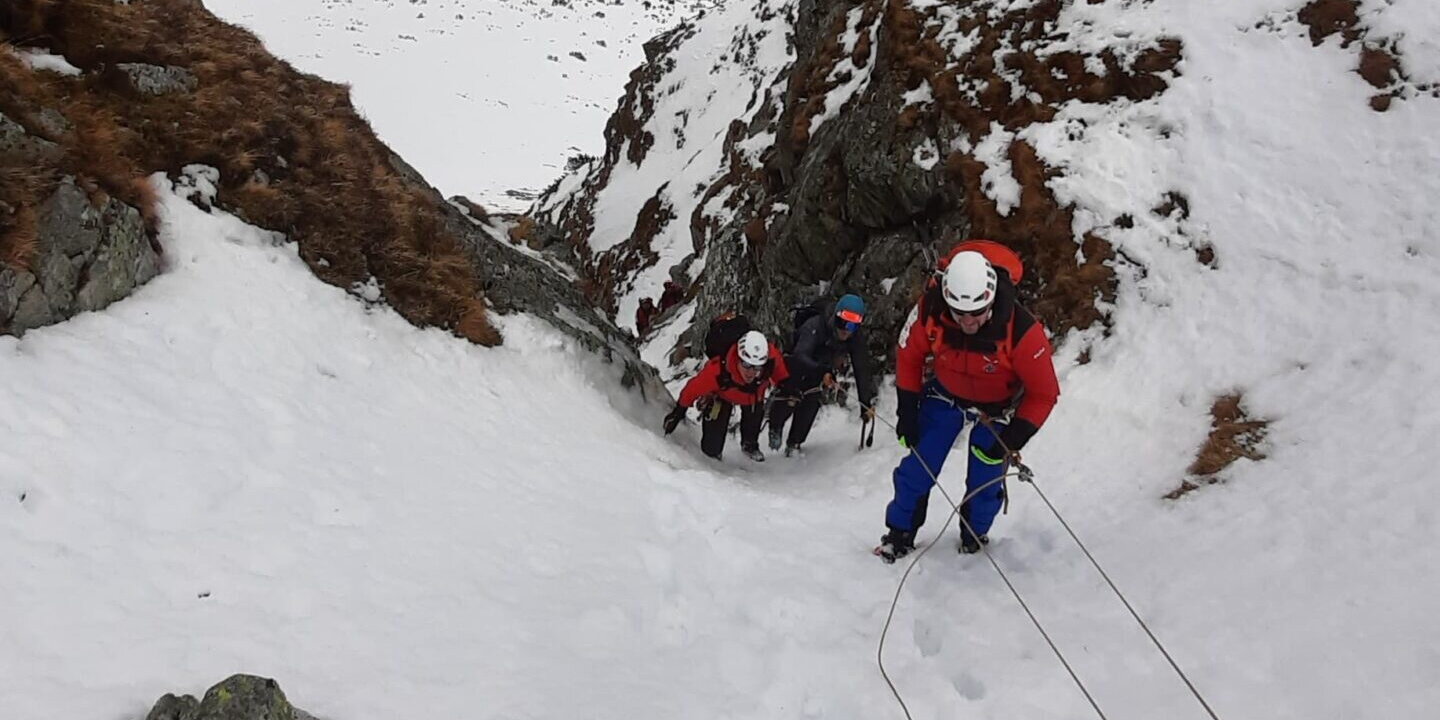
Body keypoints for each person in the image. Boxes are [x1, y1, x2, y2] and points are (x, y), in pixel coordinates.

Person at [876, 250, 1060, 562]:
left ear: (990, 300)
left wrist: (1013, 439)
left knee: (985, 480)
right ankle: (899, 533)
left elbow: (1044, 393)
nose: (968, 321)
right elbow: (909, 355)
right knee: (918, 467)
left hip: (998, 409)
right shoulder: (930, 310)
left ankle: (974, 534)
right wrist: (907, 410)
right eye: (960, 313)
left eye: (977, 312)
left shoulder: (1023, 332)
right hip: (947, 395)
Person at [768, 294, 877, 456]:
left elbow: (861, 368)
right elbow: (800, 355)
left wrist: (865, 404)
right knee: (789, 397)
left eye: (852, 327)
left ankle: (794, 443)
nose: (846, 330)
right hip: (796, 366)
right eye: (843, 323)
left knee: (811, 402)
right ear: (835, 317)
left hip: (821, 369)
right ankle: (775, 427)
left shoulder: (855, 338)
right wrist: (823, 371)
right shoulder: (815, 326)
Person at [663, 330, 789, 462]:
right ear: (738, 359)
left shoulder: (771, 359)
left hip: (753, 398)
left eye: (757, 367)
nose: (751, 372)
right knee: (711, 449)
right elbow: (692, 389)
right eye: (746, 365)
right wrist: (678, 412)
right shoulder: (718, 370)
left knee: (753, 417)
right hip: (722, 396)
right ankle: (714, 455)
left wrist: (787, 389)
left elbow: (782, 376)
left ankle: (749, 445)